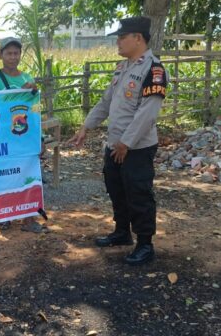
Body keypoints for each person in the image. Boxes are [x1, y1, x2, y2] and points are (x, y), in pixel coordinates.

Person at [69, 16, 168, 266]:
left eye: (122, 38)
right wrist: (86, 126)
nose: (118, 43)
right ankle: (122, 232)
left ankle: (145, 244)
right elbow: (106, 102)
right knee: (116, 189)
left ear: (138, 38)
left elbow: (147, 113)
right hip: (115, 144)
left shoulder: (153, 70)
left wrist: (126, 143)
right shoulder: (122, 67)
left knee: (138, 193)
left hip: (137, 147)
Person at [0, 37, 44, 233]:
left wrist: (39, 138)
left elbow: (35, 111)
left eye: (16, 53)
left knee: (28, 175)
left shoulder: (28, 78)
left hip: (24, 136)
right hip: (2, 137)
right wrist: (21, 92)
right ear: (1, 55)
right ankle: (3, 216)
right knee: (3, 176)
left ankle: (29, 218)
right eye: (8, 53)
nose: (12, 57)